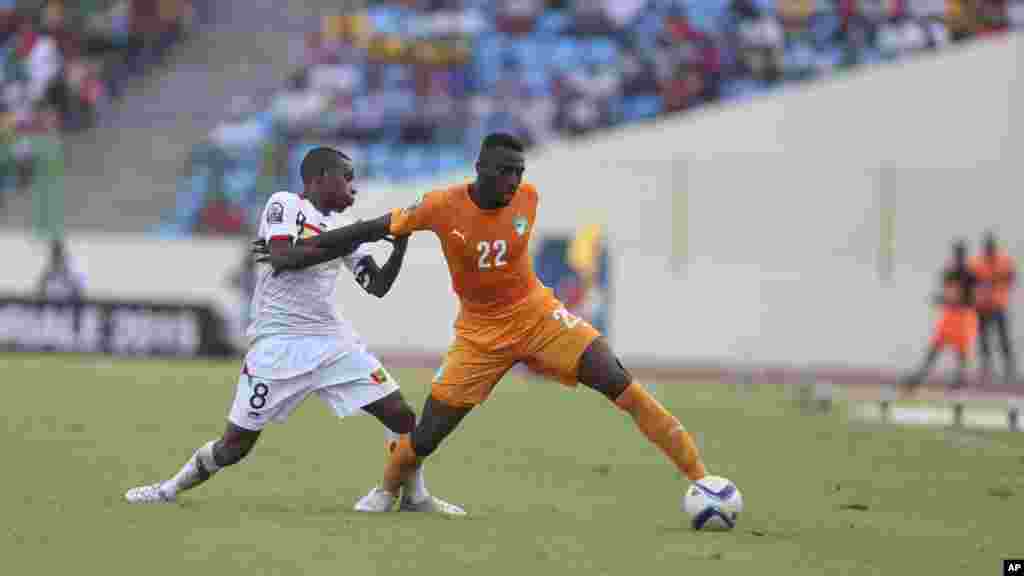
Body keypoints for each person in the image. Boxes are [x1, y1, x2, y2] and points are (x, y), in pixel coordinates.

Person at [255, 133, 710, 513]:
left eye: (519, 171)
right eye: (504, 170)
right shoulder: (439, 205)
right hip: (479, 335)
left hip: (538, 316)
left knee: (620, 382)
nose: (513, 181)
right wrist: (302, 252)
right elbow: (369, 229)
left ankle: (702, 480)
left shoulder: (529, 199)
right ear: (480, 168)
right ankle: (388, 489)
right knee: (426, 435)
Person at [125, 147, 463, 515]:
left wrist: (399, 246)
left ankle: (413, 496)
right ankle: (167, 489)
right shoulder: (285, 204)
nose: (353, 187)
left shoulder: (343, 232)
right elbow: (284, 259)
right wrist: (352, 236)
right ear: (319, 178)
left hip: (330, 339)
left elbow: (377, 285)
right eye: (346, 177)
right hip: (278, 343)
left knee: (400, 414)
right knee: (234, 446)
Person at [902, 239, 979, 391]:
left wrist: (954, 301)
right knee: (935, 347)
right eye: (956, 253)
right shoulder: (948, 273)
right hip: (950, 315)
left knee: (960, 351)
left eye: (960, 253)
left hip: (963, 315)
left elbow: (971, 299)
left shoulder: (970, 275)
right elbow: (948, 294)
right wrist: (941, 300)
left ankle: (960, 380)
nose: (958, 256)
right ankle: (918, 378)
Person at [969, 232, 1017, 385]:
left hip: (998, 305)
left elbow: (1012, 277)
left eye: (991, 247)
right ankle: (986, 369)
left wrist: (998, 281)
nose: (989, 249)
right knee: (984, 339)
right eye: (987, 247)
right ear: (984, 248)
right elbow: (969, 281)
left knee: (1003, 338)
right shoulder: (976, 263)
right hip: (982, 306)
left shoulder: (1004, 261)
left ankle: (1009, 369)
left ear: (994, 247)